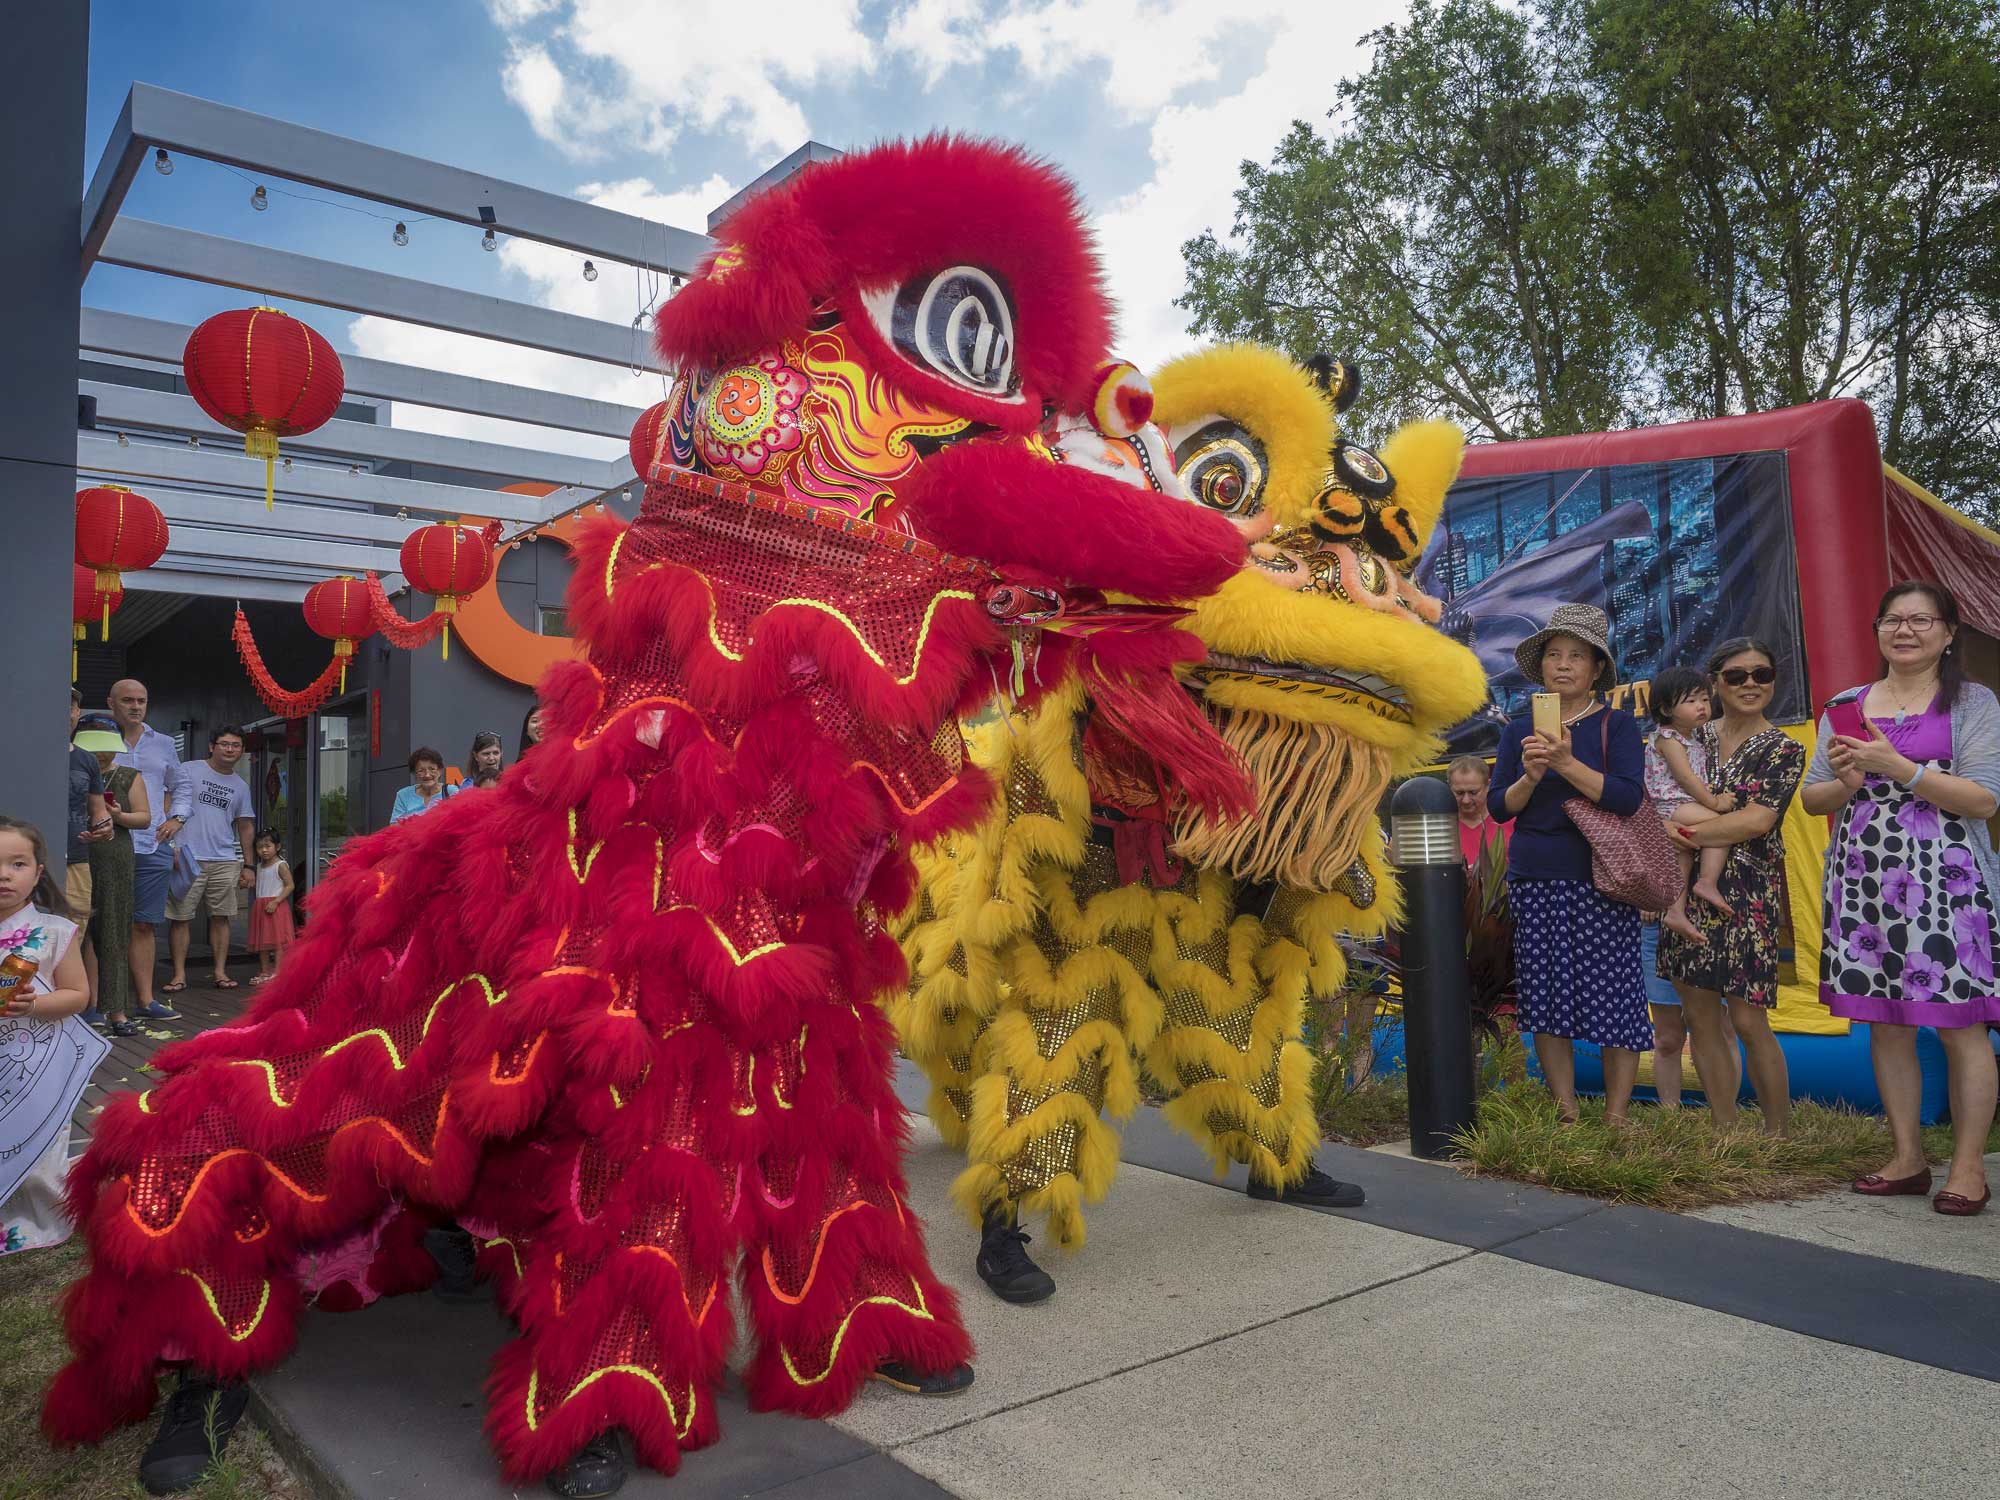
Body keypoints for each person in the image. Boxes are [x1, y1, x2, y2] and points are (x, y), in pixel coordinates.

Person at [1804, 581, 1998, 1214]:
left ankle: (1968, 1165)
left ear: (1947, 634)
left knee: (1960, 1028)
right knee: (1885, 1026)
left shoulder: (1973, 701)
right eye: (1892, 620)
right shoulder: (1844, 705)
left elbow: (1984, 800)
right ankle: (1908, 1157)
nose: (1905, 631)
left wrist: (1901, 768)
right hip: (1864, 884)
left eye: (1921, 621)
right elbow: (1813, 799)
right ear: (1877, 630)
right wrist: (1850, 780)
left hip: (1949, 884)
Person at [1490, 604, 1652, 1125]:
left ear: (1597, 668)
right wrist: (1532, 775)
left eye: (1576, 656)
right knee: (1544, 993)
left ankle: (1617, 1114)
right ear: (1540, 667)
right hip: (1536, 874)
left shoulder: (1618, 725)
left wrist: (1566, 763)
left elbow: (1627, 799)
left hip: (1603, 876)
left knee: (1618, 995)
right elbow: (1499, 807)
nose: (1563, 665)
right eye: (1555, 655)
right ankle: (1564, 1109)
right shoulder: (1519, 732)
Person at [1656, 638, 1806, 1135]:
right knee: (1699, 1021)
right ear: (1715, 683)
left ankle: (1777, 1132)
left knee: (1747, 1021)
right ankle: (1724, 1130)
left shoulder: (1784, 748)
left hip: (1748, 895)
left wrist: (1678, 831)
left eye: (1761, 674)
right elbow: (1652, 791)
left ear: (1773, 681)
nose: (1750, 684)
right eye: (1737, 676)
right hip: (1680, 890)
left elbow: (1756, 822)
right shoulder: (1690, 735)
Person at [0, 815, 94, 1256]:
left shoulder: (55, 931)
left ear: (38, 872)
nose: (4, 875)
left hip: (37, 1061)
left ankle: (41, 1219)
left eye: (17, 864)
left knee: (36, 1143)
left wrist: (35, 1004)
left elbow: (77, 995)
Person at [108, 679, 190, 1022]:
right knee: (106, 925)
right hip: (107, 843)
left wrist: (178, 819)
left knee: (144, 925)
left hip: (152, 845)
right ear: (111, 703)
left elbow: (181, 786)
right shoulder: (95, 740)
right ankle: (101, 1004)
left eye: (141, 700)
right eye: (127, 700)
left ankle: (145, 1000)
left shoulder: (164, 744)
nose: (136, 706)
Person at [1646, 665, 1736, 941]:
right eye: (1691, 701)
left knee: (1682, 855)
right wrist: (1715, 802)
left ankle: (1675, 911)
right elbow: (1685, 779)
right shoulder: (1669, 738)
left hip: (1681, 805)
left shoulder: (1692, 737)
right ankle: (1707, 882)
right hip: (1673, 804)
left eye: (1705, 699)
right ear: (1665, 708)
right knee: (1725, 825)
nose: (1701, 707)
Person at [164, 727, 256, 994]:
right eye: (224, 744)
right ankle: (179, 975)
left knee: (221, 917)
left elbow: (246, 826)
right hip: (187, 856)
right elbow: (167, 801)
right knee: (180, 918)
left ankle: (219, 972)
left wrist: (249, 865)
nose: (230, 749)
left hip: (224, 859)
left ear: (241, 750)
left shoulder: (241, 786)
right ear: (211, 746)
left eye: (236, 745)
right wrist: (169, 843)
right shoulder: (189, 770)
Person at [76, 721, 147, 1039]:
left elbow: (145, 818)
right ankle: (85, 1006)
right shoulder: (71, 769)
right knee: (78, 933)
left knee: (114, 931)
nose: (100, 755)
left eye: (105, 748)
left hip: (115, 857)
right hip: (76, 853)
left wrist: (117, 816)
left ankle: (116, 1009)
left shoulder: (129, 775)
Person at [67, 689, 111, 1023]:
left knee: (72, 936)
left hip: (77, 858)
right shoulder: (21, 748)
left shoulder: (85, 759)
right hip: (22, 861)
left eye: (70, 706)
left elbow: (98, 811)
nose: (64, 712)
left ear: (76, 714)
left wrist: (104, 827)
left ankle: (63, 1014)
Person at [247, 830, 295, 986]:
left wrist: (276, 901)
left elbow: (290, 885)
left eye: (268, 846)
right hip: (261, 906)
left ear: (278, 846)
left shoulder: (280, 865)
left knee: (278, 941)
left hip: (276, 907)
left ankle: (278, 972)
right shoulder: (259, 866)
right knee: (263, 942)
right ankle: (265, 971)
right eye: (260, 847)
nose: (264, 850)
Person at [1449, 755, 1507, 867]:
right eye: (1459, 793)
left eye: (1473, 792)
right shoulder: (1441, 827)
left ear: (1488, 786)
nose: (1466, 800)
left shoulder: (1510, 821)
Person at [391, 747, 459, 822]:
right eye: (421, 771)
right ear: (414, 773)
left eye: (432, 769)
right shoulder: (403, 795)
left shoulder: (451, 791)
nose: (427, 775)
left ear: (440, 771)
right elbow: (394, 827)